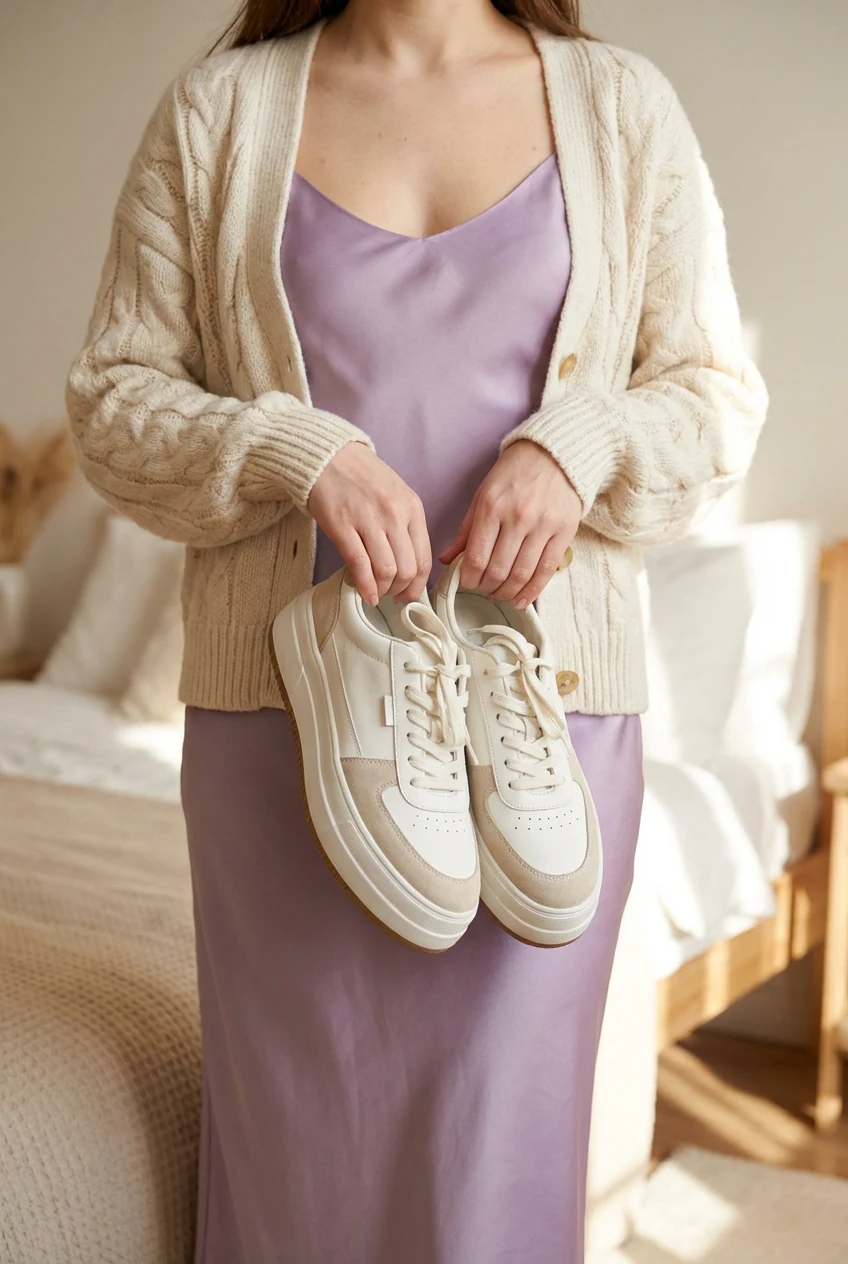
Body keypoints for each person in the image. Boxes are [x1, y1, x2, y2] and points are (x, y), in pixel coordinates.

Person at [66, 1, 767, 1260]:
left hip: (537, 739)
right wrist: (291, 448)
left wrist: (580, 443)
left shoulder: (617, 104)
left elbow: (713, 397)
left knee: (491, 1173)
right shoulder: (221, 112)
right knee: (298, 1176)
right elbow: (114, 402)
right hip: (285, 729)